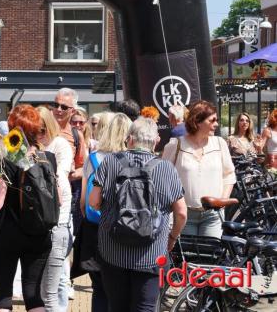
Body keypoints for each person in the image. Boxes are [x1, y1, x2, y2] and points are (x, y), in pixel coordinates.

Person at [89, 117, 187, 312]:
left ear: (129, 139)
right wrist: (172, 237)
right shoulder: (166, 168)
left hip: (113, 251)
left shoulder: (110, 162)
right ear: (156, 141)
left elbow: (94, 201)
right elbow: (182, 213)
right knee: (146, 307)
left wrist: (111, 213)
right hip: (151, 254)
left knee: (117, 307)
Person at [0, 104, 54, 312]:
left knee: (4, 298)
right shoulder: (48, 158)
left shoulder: (6, 158)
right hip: (41, 232)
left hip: (10, 232)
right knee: (34, 297)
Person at [78, 112, 131, 312]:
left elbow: (84, 201)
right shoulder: (131, 159)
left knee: (99, 286)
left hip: (95, 227)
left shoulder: (93, 158)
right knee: (121, 286)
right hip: (124, 227)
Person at [163, 100, 236, 238]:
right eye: (212, 120)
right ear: (197, 121)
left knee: (212, 256)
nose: (217, 124)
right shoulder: (176, 145)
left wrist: (222, 200)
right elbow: (163, 177)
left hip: (213, 216)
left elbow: (229, 175)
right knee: (187, 258)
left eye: (217, 120)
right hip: (183, 215)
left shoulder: (220, 144)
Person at [37, 106, 73, 312]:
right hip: (38, 222)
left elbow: (60, 178)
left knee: (51, 289)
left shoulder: (60, 144)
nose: (39, 135)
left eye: (42, 130)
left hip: (57, 221)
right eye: (34, 130)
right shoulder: (31, 145)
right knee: (43, 288)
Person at [51, 88, 86, 236]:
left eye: (64, 107)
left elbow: (83, 167)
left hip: (64, 196)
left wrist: (67, 175)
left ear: (72, 111)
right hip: (40, 193)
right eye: (56, 105)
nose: (58, 109)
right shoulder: (41, 129)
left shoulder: (76, 135)